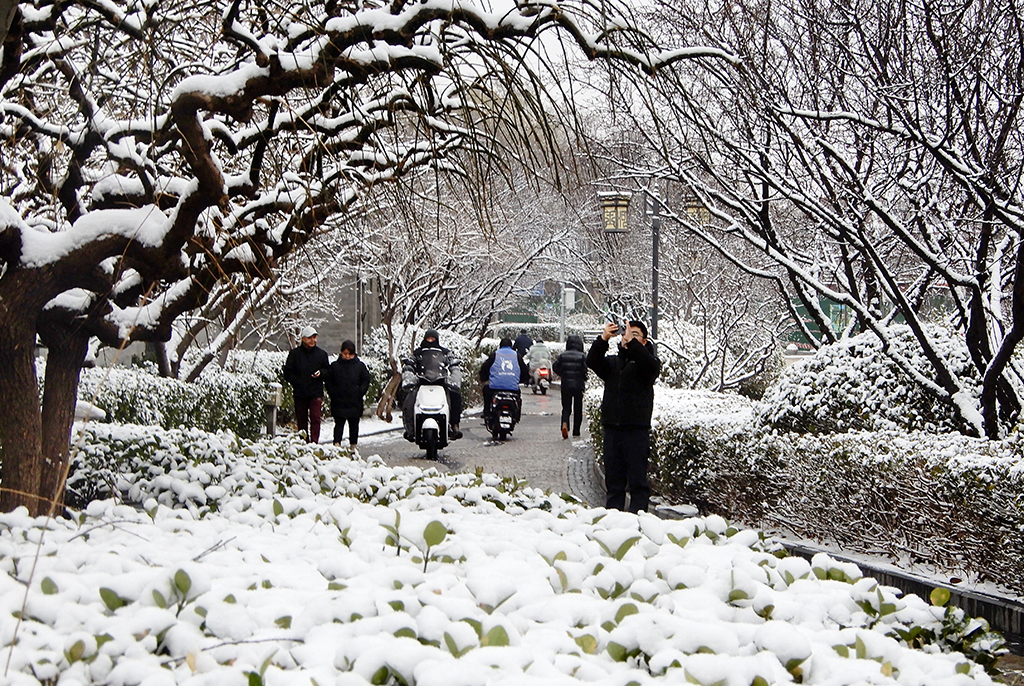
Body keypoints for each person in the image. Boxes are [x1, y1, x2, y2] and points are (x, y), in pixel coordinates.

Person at [586, 319, 660, 513]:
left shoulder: (647, 365)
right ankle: (613, 524)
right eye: (626, 333)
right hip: (613, 430)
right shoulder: (613, 363)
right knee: (614, 484)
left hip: (636, 431)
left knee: (638, 484)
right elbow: (592, 361)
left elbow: (650, 365)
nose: (628, 337)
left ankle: (638, 522)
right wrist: (603, 339)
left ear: (644, 341)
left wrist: (632, 342)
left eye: (635, 334)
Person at [401, 329, 464, 440]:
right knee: (409, 399)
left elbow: (453, 364)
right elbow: (409, 365)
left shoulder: (445, 352)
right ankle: (410, 427)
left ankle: (453, 425)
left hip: (441, 383)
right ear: (425, 339)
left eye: (433, 338)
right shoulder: (417, 353)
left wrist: (454, 376)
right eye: (429, 338)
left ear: (437, 339)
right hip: (421, 383)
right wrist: (409, 376)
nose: (430, 340)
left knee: (455, 397)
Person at [283, 325, 331, 443]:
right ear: (303, 339)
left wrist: (321, 373)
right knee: (301, 419)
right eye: (310, 338)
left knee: (315, 418)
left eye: (315, 338)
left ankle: (315, 442)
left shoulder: (322, 354)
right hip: (300, 392)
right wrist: (298, 381)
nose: (313, 340)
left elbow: (328, 371)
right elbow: (287, 373)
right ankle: (303, 442)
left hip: (316, 392)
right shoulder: (294, 354)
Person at [325, 340, 371, 446]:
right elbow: (328, 381)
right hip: (339, 401)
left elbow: (366, 379)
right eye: (345, 353)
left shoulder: (360, 366)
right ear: (341, 353)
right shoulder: (335, 366)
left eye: (350, 354)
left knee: (354, 425)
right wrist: (332, 392)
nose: (347, 356)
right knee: (339, 424)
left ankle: (353, 445)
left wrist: (360, 391)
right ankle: (336, 444)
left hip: (354, 401)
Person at [478, 338, 529, 420]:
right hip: (513, 389)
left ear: (500, 346)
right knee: (518, 396)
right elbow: (524, 370)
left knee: (486, 390)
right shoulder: (517, 356)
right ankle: (516, 416)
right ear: (511, 346)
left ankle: (487, 412)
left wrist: (484, 378)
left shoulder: (495, 355)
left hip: (494, 388)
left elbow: (485, 368)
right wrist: (523, 380)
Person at [552, 334, 587, 439]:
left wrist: (563, 374)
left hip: (566, 384)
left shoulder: (563, 355)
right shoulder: (582, 356)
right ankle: (576, 431)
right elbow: (585, 370)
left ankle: (564, 424)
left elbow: (555, 366)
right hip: (578, 385)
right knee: (578, 408)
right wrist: (583, 378)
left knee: (566, 407)